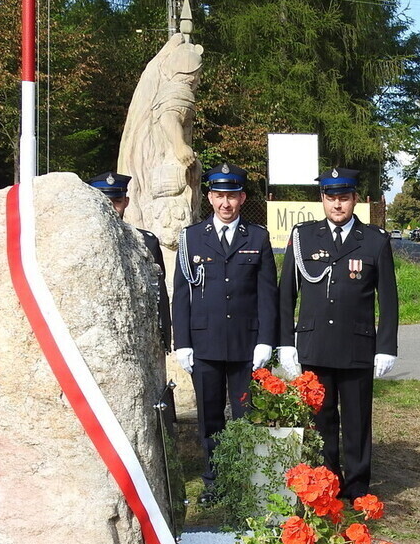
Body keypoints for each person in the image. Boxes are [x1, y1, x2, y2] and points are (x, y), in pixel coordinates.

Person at [277, 168, 398, 499]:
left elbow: (388, 299)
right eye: (331, 198)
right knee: (321, 418)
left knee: (358, 421)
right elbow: (286, 294)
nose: (337, 205)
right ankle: (326, 483)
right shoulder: (304, 237)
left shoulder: (374, 240)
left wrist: (386, 346)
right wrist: (286, 343)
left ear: (355, 200)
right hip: (314, 344)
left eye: (344, 198)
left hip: (357, 345)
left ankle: (358, 486)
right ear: (323, 200)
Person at [172, 163, 279, 501]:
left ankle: (245, 481)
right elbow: (181, 295)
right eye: (219, 196)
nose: (225, 203)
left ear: (243, 197)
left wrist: (266, 340)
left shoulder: (258, 237)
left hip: (246, 344)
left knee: (247, 416)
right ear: (210, 197)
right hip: (204, 344)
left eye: (232, 196)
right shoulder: (191, 238)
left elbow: (267, 295)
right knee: (210, 417)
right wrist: (183, 343)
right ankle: (214, 481)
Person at [87, 171, 172, 351]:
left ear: (126, 202)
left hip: (137, 334)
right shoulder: (83, 242)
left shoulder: (146, 241)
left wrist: (165, 334)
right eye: (105, 203)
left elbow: (159, 290)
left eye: (117, 202)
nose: (112, 208)